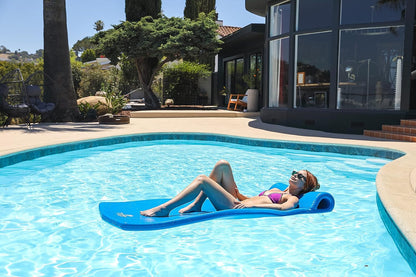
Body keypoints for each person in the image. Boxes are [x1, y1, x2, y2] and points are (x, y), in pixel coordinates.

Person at [140, 160, 320, 217]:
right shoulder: (279, 191)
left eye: (300, 176)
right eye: (295, 172)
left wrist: (252, 206)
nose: (295, 175)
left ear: (305, 186)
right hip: (238, 201)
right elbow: (256, 199)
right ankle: (196, 205)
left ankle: (165, 209)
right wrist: (242, 196)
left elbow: (283, 209)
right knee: (222, 165)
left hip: (235, 208)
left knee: (202, 180)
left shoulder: (293, 199)